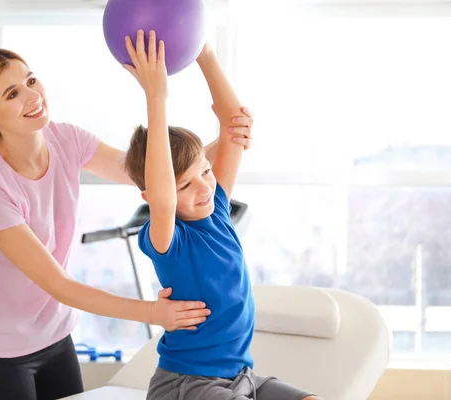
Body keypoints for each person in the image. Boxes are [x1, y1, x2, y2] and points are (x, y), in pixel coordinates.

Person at [0, 48, 255, 400]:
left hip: (56, 338)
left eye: (31, 80)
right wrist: (153, 313)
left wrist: (226, 141)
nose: (33, 96)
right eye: (12, 93)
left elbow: (146, 174)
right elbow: (59, 285)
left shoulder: (65, 139)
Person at [122, 30, 320, 400]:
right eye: (185, 185)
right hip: (186, 386)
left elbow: (234, 125)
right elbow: (163, 200)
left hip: (242, 377)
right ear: (155, 194)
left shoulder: (218, 213)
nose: (204, 188)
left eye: (206, 171)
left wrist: (204, 53)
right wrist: (156, 94)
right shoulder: (167, 239)